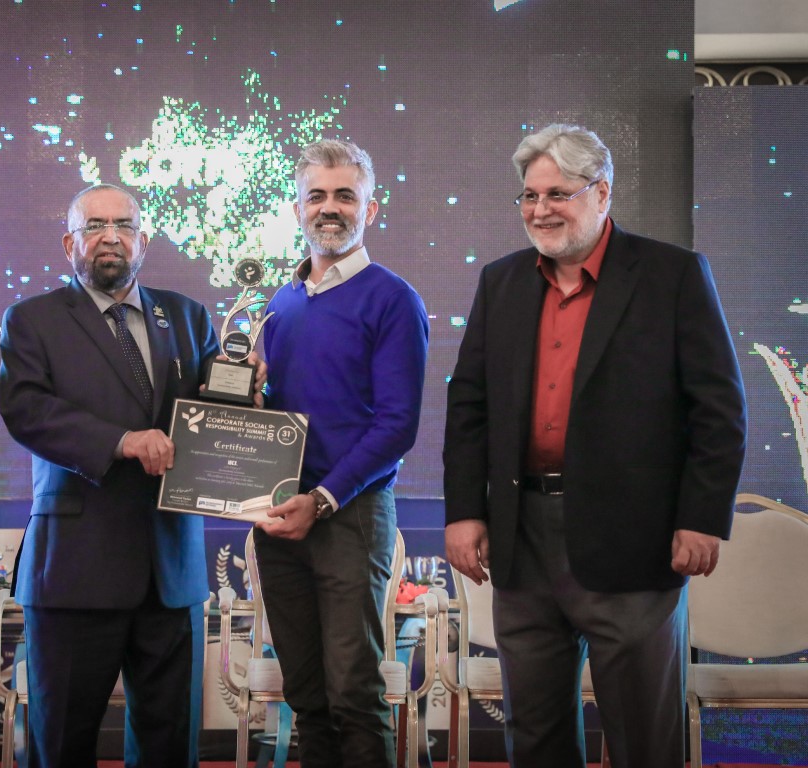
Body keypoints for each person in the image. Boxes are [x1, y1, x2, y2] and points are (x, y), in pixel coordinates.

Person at [443, 123, 747, 768]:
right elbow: (470, 406)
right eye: (529, 196)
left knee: (643, 737)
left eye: (558, 193)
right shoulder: (501, 282)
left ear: (602, 193)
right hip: (521, 540)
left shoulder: (673, 274)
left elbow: (719, 411)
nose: (540, 210)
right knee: (535, 735)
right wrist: (465, 511)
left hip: (635, 540)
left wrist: (702, 517)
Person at [0, 183, 264, 768]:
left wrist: (244, 394)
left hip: (171, 572)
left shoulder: (188, 316)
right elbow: (27, 411)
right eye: (94, 226)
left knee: (170, 748)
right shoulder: (33, 319)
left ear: (143, 241)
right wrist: (122, 442)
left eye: (123, 225)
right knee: (61, 745)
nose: (110, 237)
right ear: (69, 242)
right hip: (74, 571)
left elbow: (209, 416)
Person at [253, 139, 430, 768]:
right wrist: (244, 398)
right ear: (297, 209)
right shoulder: (278, 303)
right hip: (279, 518)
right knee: (306, 695)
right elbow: (273, 414)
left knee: (353, 695)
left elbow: (397, 426)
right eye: (317, 196)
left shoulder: (393, 298)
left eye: (345, 196)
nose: (330, 208)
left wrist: (323, 499)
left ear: (370, 209)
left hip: (349, 517)